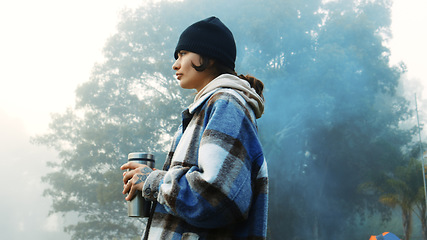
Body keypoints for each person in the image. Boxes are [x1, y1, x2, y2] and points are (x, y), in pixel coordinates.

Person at [121, 16, 268, 240]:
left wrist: (153, 181)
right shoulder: (203, 110)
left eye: (182, 54)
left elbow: (216, 197)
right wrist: (148, 191)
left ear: (208, 56)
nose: (175, 64)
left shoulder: (226, 104)